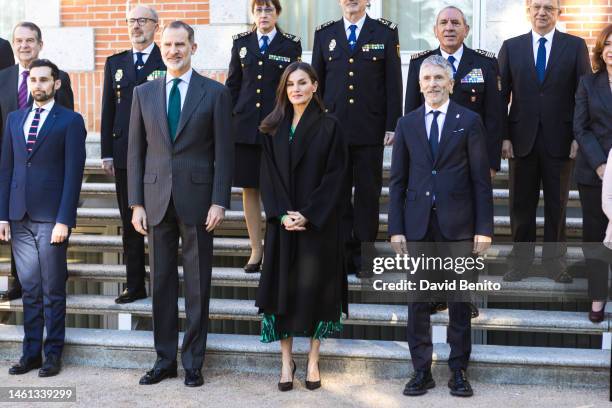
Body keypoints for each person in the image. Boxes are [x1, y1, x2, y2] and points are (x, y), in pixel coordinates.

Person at [128, 21, 233, 387]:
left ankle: (193, 362)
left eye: (181, 44)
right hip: (155, 201)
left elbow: (225, 152)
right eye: (168, 44)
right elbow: (136, 153)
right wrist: (135, 203)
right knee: (160, 284)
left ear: (194, 47)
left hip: (199, 201)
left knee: (197, 286)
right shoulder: (143, 93)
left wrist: (220, 200)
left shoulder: (215, 94)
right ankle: (164, 359)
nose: (174, 50)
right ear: (161, 47)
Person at [389, 55, 493, 398]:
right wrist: (396, 228)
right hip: (418, 225)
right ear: (418, 85)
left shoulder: (470, 120)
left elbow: (481, 180)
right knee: (418, 301)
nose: (432, 84)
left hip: (459, 223)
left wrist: (484, 227)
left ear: (450, 83)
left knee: (459, 302)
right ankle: (421, 370)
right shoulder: (407, 124)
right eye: (426, 78)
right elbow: (398, 182)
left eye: (438, 78)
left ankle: (459, 370)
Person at [256, 62, 347, 392]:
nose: (296, 88)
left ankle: (311, 360)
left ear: (315, 86)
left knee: (316, 294)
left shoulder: (330, 126)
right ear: (284, 89)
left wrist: (307, 214)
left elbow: (336, 176)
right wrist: (282, 214)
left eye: (302, 83)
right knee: (284, 294)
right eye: (290, 84)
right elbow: (267, 177)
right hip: (283, 225)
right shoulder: (270, 127)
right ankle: (285, 361)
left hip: (318, 225)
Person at [0, 59, 86, 377]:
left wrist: (65, 220)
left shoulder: (71, 121)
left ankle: (53, 355)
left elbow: (73, 175)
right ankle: (30, 353)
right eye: (34, 80)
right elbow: (6, 169)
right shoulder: (14, 119)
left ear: (56, 83)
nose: (38, 85)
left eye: (44, 80)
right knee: (31, 290)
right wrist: (2, 216)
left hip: (52, 219)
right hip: (19, 216)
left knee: (52, 290)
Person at [498, 0, 591, 283]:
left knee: (557, 205)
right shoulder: (511, 47)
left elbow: (583, 95)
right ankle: (521, 263)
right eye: (536, 7)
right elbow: (500, 98)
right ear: (528, 11)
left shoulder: (575, 46)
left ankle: (554, 264)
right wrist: (502, 136)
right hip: (520, 139)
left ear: (558, 13)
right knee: (520, 205)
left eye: (548, 7)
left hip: (561, 140)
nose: (542, 12)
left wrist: (578, 136)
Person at [311, 0, 402, 278]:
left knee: (367, 194)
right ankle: (342, 252)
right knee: (337, 193)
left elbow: (393, 82)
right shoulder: (324, 34)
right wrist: (317, 124)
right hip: (334, 129)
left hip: (369, 128)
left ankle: (365, 254)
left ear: (368, 2)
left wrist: (391, 124)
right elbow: (317, 83)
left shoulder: (385, 32)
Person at [0, 22, 74, 302]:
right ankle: (19, 281)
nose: (24, 46)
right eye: (18, 40)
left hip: (47, 172)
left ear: (39, 44)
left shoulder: (59, 78)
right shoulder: (3, 78)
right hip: (13, 166)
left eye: (30, 41)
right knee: (15, 222)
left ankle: (54, 278)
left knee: (48, 230)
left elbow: (67, 122)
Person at [226, 0, 302, 273]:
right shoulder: (241, 43)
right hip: (245, 127)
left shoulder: (290, 44)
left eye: (268, 9)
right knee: (250, 188)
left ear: (277, 13)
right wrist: (229, 119)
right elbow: (233, 85)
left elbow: (294, 87)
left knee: (276, 187)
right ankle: (256, 249)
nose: (263, 14)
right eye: (258, 9)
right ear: (253, 14)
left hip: (277, 127)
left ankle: (276, 247)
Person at [100, 5, 166, 304]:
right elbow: (107, 110)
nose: (136, 26)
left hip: (158, 152)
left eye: (142, 21)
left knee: (160, 221)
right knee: (130, 223)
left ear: (155, 26)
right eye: (131, 21)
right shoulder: (116, 63)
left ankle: (163, 283)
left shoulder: (165, 58)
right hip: (125, 152)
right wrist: (106, 153)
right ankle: (135, 284)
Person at [404, 6, 505, 177]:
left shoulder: (485, 64)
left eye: (455, 23)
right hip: (432, 155)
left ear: (466, 30)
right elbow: (412, 115)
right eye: (443, 23)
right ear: (435, 31)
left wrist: (491, 163)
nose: (449, 27)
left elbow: (494, 116)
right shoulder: (420, 63)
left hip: (472, 154)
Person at [576, 24, 612, 322]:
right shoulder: (588, 83)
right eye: (608, 44)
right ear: (601, 50)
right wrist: (601, 165)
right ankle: (598, 296)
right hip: (594, 172)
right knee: (595, 238)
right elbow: (581, 126)